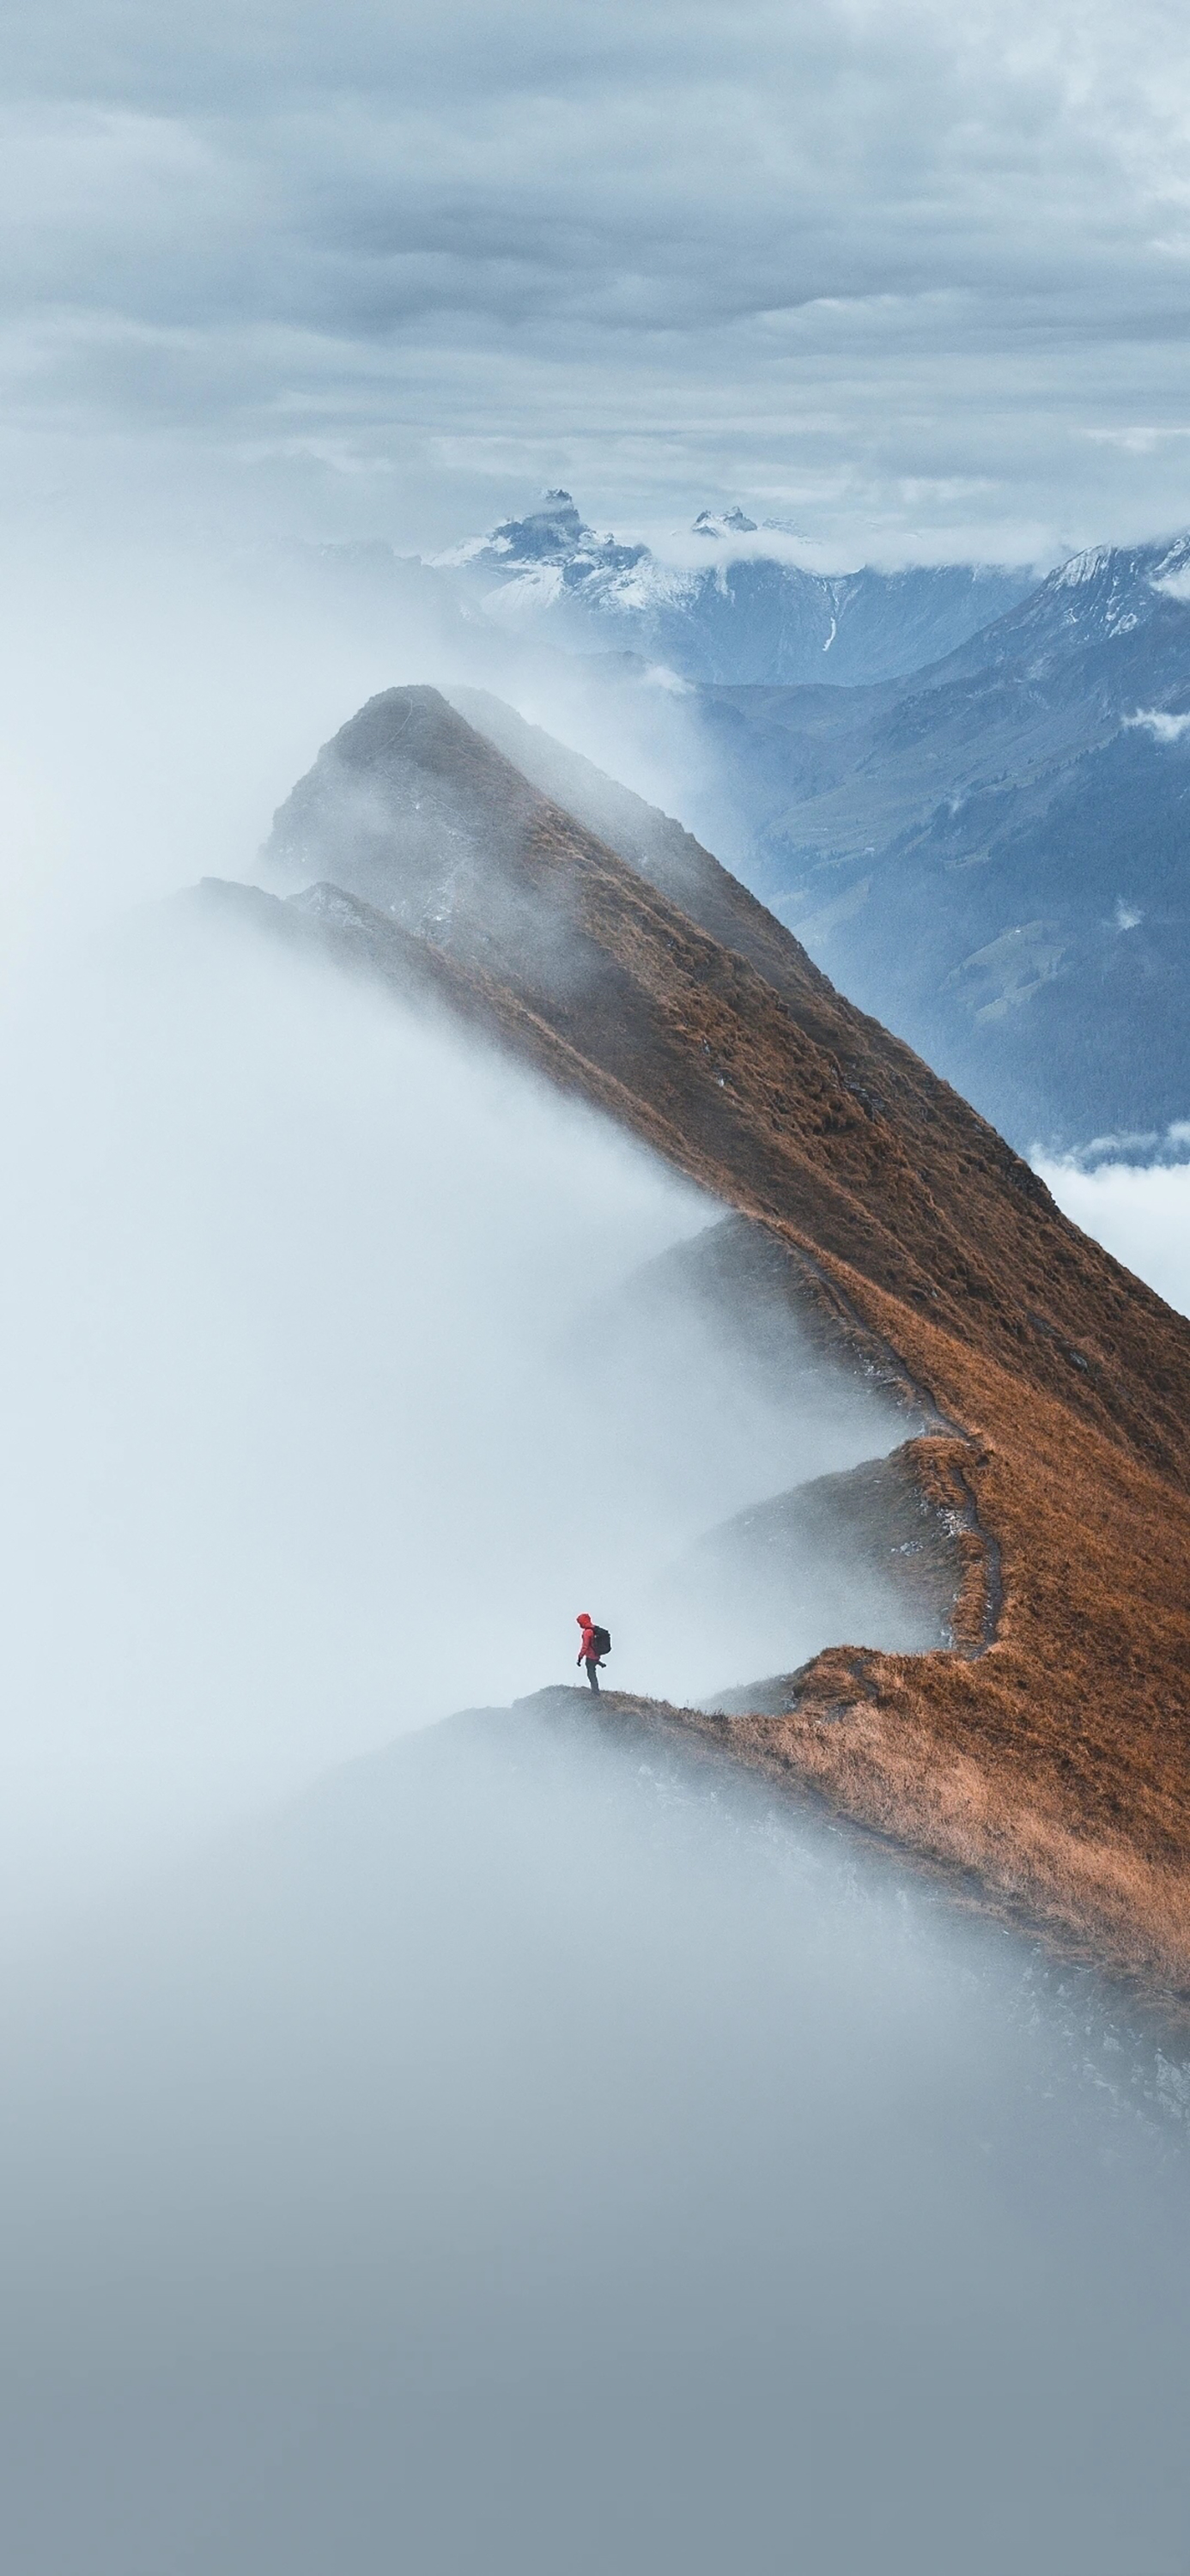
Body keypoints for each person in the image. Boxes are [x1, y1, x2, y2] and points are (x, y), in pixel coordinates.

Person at [576, 1611, 604, 1694]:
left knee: (591, 1674)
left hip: (590, 1656)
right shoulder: (594, 1629)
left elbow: (585, 1647)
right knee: (593, 1668)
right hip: (596, 1655)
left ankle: (595, 1692)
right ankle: (599, 1663)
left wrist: (580, 1657)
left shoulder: (587, 1632)